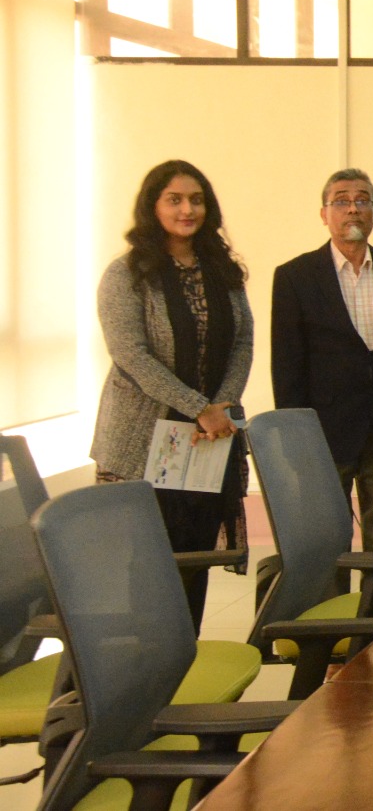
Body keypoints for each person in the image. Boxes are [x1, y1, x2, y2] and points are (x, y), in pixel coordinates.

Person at [89, 159, 251, 625]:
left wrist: (221, 406)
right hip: (141, 444)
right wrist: (200, 408)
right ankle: (142, 666)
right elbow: (131, 356)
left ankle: (185, 659)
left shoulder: (221, 270)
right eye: (174, 200)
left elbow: (242, 341)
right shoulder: (126, 274)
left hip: (206, 441)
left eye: (196, 200)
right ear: (153, 206)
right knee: (144, 568)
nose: (187, 210)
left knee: (192, 561)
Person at [271, 169, 373, 580]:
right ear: (324, 214)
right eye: (341, 201)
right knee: (328, 536)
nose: (352, 209)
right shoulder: (295, 276)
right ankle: (332, 616)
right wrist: (294, 434)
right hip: (323, 429)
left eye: (362, 200)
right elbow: (286, 365)